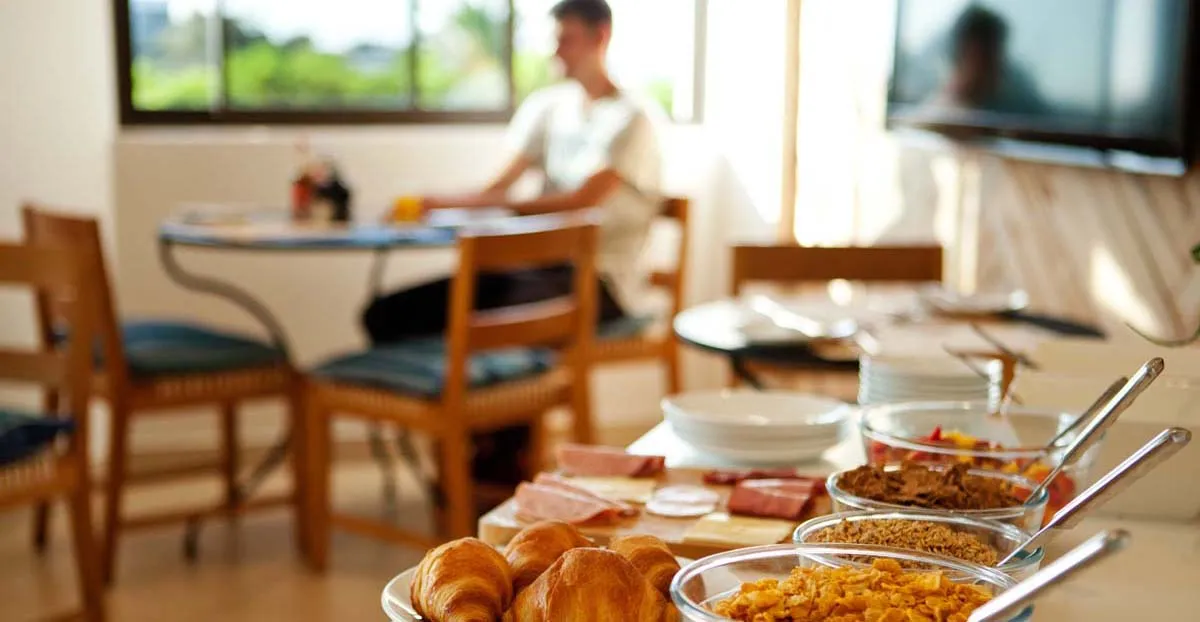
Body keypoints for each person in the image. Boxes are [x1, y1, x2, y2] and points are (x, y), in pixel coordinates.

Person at [362, 0, 662, 486]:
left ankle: (499, 465)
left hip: (599, 284)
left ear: (600, 36)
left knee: (494, 322)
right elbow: (497, 191)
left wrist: (503, 211)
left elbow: (581, 203)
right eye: (554, 40)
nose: (556, 52)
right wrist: (434, 203)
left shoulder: (632, 118)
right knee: (390, 314)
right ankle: (470, 449)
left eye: (566, 39)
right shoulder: (548, 108)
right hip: (536, 271)